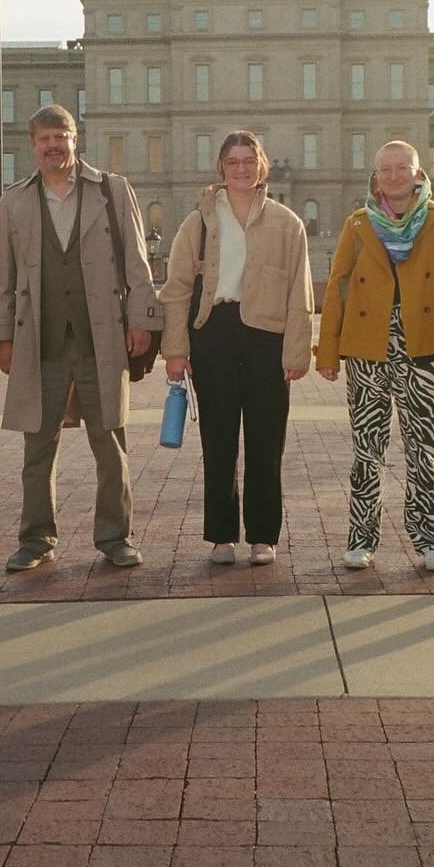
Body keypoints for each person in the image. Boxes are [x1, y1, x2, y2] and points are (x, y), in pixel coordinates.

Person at [0, 104, 163, 572]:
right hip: (39, 342)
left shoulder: (111, 190)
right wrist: (3, 335)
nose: (53, 146)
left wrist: (142, 319)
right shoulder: (14, 202)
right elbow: (2, 278)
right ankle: (35, 540)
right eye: (44, 138)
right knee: (37, 446)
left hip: (100, 338)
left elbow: (137, 263)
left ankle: (116, 538)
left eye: (60, 136)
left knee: (109, 443)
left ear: (75, 139)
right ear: (32, 145)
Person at [159, 131, 313, 567]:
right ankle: (222, 535)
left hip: (268, 337)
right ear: (221, 167)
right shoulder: (200, 221)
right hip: (216, 334)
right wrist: (175, 348)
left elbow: (300, 294)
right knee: (219, 440)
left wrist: (296, 353)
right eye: (232, 161)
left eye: (249, 160)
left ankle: (263, 535)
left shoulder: (287, 223)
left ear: (261, 165)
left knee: (267, 442)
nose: (241, 168)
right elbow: (177, 289)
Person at [316, 141, 434, 572]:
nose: (395, 176)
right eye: (387, 169)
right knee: (367, 448)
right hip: (367, 347)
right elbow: (337, 286)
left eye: (403, 168)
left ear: (418, 173)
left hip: (423, 347)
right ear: (376, 175)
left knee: (424, 448)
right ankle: (361, 538)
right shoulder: (359, 224)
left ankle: (433, 537)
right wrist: (328, 351)